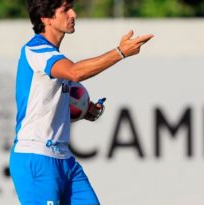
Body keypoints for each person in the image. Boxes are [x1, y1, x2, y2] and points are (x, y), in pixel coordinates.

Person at [9, 0, 153, 204]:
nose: (74, 14)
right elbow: (75, 73)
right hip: (36, 158)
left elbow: (46, 107)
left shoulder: (55, 56)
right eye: (66, 9)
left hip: (64, 159)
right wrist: (120, 52)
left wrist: (85, 111)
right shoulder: (36, 50)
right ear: (46, 18)